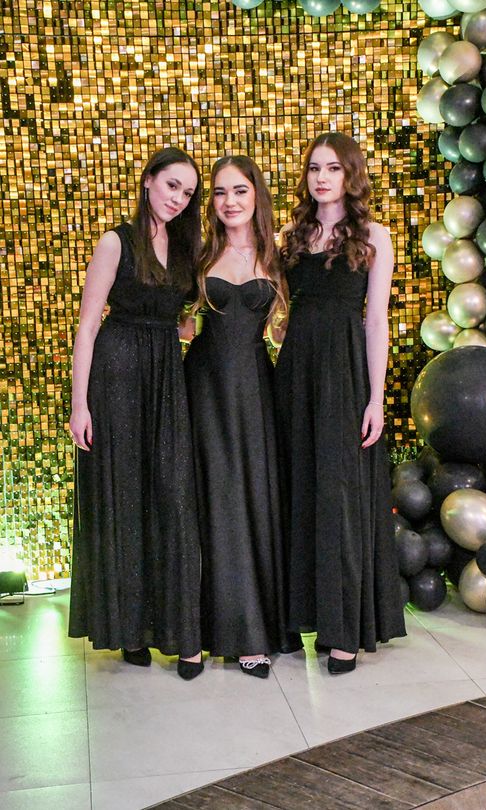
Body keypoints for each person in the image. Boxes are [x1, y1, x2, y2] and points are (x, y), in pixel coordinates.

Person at [68, 147, 204, 680]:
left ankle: (175, 628)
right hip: (117, 373)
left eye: (188, 192)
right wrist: (80, 404)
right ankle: (130, 630)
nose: (178, 198)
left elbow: (181, 321)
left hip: (167, 375)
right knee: (124, 497)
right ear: (148, 181)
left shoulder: (187, 248)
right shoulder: (115, 242)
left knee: (170, 495)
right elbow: (87, 326)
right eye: (171, 185)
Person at [275, 132, 406, 675]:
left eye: (332, 168)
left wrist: (375, 397)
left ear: (351, 174)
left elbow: (376, 321)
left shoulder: (374, 235)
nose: (322, 177)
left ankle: (343, 629)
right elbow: (277, 309)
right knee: (297, 490)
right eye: (314, 168)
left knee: (340, 497)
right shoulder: (289, 235)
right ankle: (297, 618)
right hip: (294, 372)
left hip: (346, 373)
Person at [184, 155, 301, 679]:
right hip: (203, 388)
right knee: (216, 504)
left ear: (257, 196)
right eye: (219, 192)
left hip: (256, 391)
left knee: (253, 503)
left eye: (239, 190)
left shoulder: (278, 256)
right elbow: (182, 324)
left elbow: (282, 330)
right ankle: (213, 632)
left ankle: (258, 629)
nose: (229, 201)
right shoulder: (198, 253)